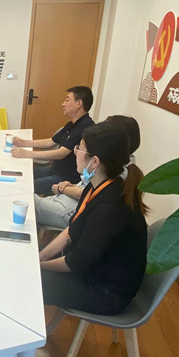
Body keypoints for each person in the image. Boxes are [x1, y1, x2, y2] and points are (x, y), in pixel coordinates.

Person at [39, 121, 148, 315]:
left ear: (94, 161)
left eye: (79, 149)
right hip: (89, 269)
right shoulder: (97, 186)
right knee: (22, 259)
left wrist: (37, 266)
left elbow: (76, 262)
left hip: (105, 291)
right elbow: (71, 231)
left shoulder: (110, 207)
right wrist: (40, 257)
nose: (75, 152)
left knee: (24, 280)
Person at [35, 115, 141, 230]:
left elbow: (89, 194)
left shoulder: (115, 171)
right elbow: (86, 182)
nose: (76, 152)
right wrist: (70, 186)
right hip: (69, 200)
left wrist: (63, 189)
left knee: (27, 201)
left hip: (73, 208)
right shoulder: (104, 164)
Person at [11, 86, 95, 195]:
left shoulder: (85, 127)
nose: (63, 104)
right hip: (53, 170)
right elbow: (50, 142)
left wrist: (27, 154)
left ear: (79, 103)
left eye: (67, 100)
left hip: (65, 179)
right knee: (20, 173)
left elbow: (61, 153)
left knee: (24, 186)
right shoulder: (72, 124)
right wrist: (23, 142)